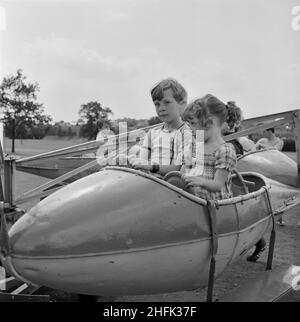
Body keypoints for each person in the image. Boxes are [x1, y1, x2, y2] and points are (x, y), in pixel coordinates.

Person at [129, 78, 191, 176]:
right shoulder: (151, 133)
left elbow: (179, 169)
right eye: (157, 104)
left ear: (181, 104)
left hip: (170, 186)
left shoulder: (187, 134)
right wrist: (131, 161)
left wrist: (151, 167)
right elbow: (142, 163)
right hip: (149, 183)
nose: (161, 108)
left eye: (167, 102)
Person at [181, 94, 237, 201]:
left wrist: (200, 181)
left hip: (218, 208)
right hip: (195, 203)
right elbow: (182, 173)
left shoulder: (225, 151)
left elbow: (217, 185)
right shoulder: (194, 147)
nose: (190, 129)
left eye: (193, 123)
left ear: (209, 123)